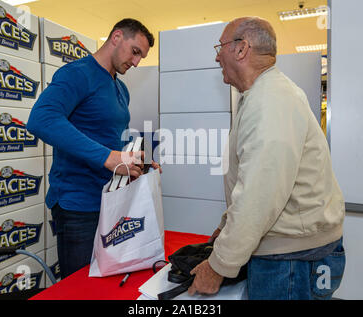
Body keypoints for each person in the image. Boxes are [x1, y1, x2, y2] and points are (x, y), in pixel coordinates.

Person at [188, 17, 346, 300]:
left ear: (240, 49)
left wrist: (218, 266)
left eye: (220, 46)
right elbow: (255, 179)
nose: (216, 55)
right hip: (294, 254)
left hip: (289, 260)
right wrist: (225, 228)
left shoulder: (270, 101)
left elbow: (259, 196)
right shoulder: (264, 95)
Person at [27, 18, 161, 279]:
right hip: (78, 207)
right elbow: (41, 119)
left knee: (105, 284)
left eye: (141, 57)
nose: (136, 63)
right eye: (135, 52)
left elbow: (109, 138)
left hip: (109, 202)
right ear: (116, 37)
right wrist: (107, 157)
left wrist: (134, 161)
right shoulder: (77, 74)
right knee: (79, 289)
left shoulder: (120, 88)